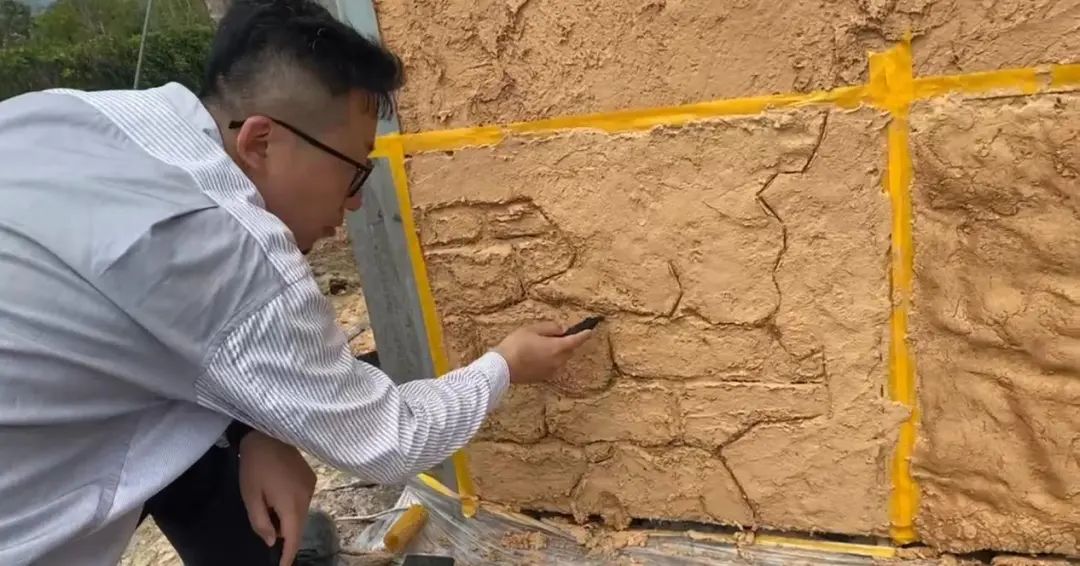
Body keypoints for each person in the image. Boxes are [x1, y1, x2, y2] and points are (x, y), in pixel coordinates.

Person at [0, 0, 595, 564]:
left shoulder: (72, 114)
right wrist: (505, 365)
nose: (355, 202)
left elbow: (162, 321)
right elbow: (391, 438)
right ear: (261, 141)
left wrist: (255, 428)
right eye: (356, 169)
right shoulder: (228, 252)